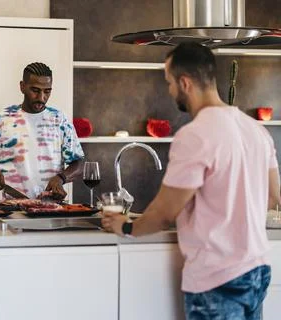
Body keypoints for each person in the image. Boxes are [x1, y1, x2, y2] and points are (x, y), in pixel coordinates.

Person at [102, 42, 280, 320]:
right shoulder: (256, 130)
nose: (170, 89)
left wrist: (125, 226)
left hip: (218, 278)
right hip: (257, 270)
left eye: (169, 82)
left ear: (185, 83)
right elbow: (273, 196)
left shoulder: (196, 135)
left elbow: (163, 214)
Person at [0, 62, 84, 199]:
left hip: (52, 208)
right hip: (13, 208)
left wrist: (61, 178)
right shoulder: (2, 119)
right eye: (35, 90)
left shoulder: (59, 120)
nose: (41, 98)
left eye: (47, 91)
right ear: (22, 87)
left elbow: (79, 163)